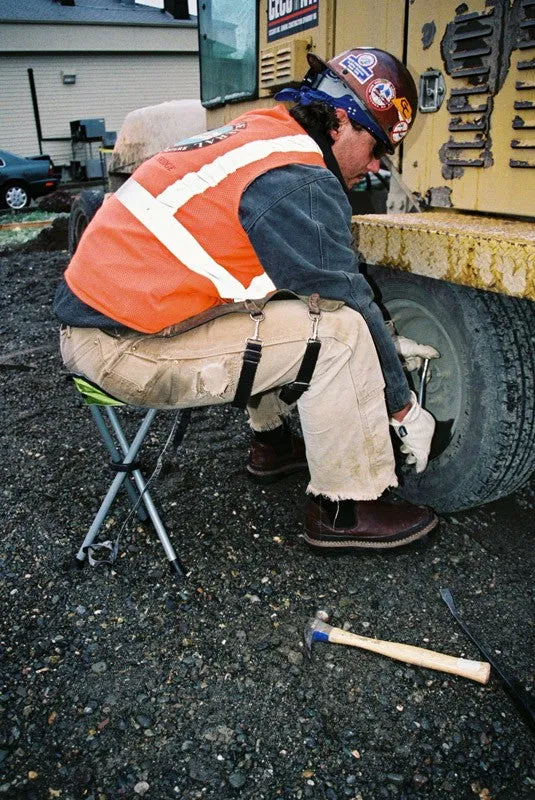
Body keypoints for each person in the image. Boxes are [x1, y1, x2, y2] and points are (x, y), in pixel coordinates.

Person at [54, 47, 441, 552]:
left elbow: (295, 281)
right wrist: (403, 407)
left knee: (285, 298)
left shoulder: (263, 130)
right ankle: (345, 508)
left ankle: (273, 441)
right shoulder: (298, 176)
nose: (373, 167)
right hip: (123, 350)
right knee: (340, 332)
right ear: (342, 122)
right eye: (374, 148)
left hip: (96, 327)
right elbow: (346, 299)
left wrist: (384, 342)